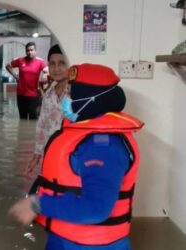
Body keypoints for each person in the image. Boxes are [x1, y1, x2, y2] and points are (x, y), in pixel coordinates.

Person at [9, 63, 144, 250]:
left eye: (72, 94)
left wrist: (37, 204)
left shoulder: (103, 146)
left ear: (92, 99)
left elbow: (96, 208)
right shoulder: (83, 135)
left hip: (92, 244)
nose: (66, 99)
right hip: (67, 239)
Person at [26, 44, 68, 175]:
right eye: (52, 63)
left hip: (71, 156)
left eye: (61, 63)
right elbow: (42, 127)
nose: (56, 69)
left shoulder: (77, 94)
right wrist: (37, 156)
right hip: (50, 155)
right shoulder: (48, 93)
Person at [6, 42, 48, 120]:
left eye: (31, 50)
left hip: (34, 96)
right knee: (22, 119)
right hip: (21, 95)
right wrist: (15, 76)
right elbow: (8, 66)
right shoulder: (20, 60)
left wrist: (44, 79)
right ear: (26, 51)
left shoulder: (40, 62)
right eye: (28, 50)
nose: (29, 52)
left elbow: (48, 72)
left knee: (33, 119)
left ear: (35, 51)